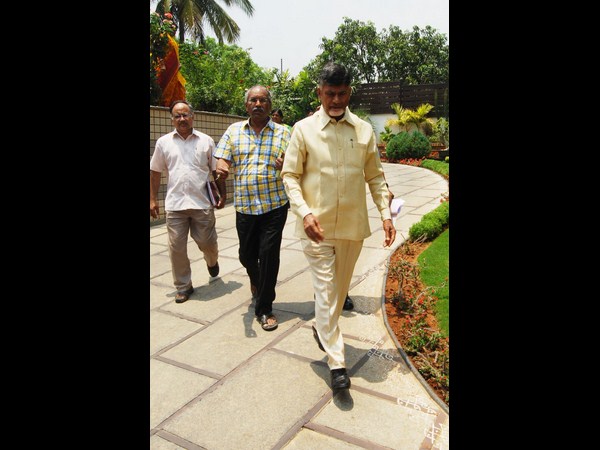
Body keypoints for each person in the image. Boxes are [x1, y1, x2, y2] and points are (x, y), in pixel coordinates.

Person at [280, 62, 396, 391]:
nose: (335, 100)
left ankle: (323, 327)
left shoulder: (363, 130)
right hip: (315, 229)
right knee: (327, 293)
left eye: (342, 94)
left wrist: (386, 215)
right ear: (319, 92)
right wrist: (304, 213)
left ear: (350, 93)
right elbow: (290, 176)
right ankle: (337, 364)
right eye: (330, 94)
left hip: (352, 228)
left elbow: (375, 177)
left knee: (338, 293)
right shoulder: (303, 130)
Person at [213, 85, 291, 331]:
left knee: (268, 255)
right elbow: (222, 158)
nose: (258, 104)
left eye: (263, 100)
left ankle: (265, 308)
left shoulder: (285, 133)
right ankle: (256, 280)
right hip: (245, 206)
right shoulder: (234, 130)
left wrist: (287, 164)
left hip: (274, 205)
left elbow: (300, 162)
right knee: (246, 255)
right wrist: (222, 166)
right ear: (246, 105)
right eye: (253, 100)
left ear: (270, 105)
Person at [150, 100, 226, 303]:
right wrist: (152, 199)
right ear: (172, 119)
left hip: (202, 203)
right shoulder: (164, 143)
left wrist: (222, 194)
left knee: (207, 243)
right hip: (175, 205)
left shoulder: (206, 141)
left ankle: (212, 261)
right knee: (176, 248)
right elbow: (155, 171)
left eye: (185, 115)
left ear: (193, 117)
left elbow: (215, 170)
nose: (182, 119)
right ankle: (184, 286)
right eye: (177, 116)